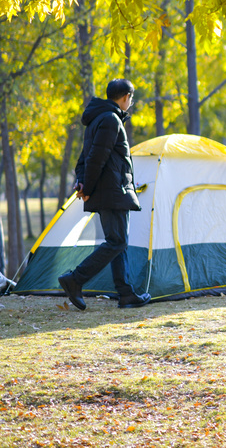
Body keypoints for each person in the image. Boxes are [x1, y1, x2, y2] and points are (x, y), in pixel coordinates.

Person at [58, 79, 151, 310]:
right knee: (117, 241)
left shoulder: (98, 120)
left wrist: (81, 184)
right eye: (132, 97)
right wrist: (86, 189)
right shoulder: (110, 120)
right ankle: (75, 279)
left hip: (109, 191)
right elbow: (94, 159)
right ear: (126, 97)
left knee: (118, 242)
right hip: (112, 192)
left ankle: (126, 293)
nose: (131, 101)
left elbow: (83, 160)